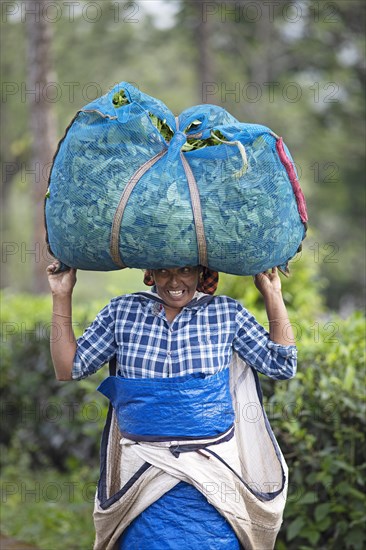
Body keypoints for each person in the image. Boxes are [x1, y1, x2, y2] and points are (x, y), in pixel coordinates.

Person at [47, 262, 297, 550]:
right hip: (141, 480)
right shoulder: (123, 312)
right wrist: (61, 293)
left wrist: (272, 293)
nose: (174, 281)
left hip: (212, 478)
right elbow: (68, 368)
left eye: (185, 271)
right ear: (150, 274)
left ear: (201, 273)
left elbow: (282, 364)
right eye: (164, 272)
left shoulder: (225, 313)